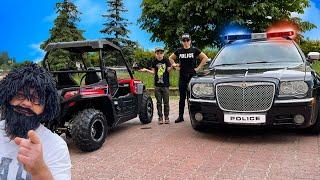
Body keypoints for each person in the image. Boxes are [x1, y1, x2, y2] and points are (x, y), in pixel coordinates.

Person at [0, 64, 71, 180]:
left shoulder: (56, 146)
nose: (27, 103)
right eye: (20, 95)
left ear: (46, 107)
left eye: (36, 99)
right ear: (8, 97)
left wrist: (39, 170)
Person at [169, 33, 208, 123]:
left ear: (190, 40)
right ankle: (180, 116)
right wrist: (175, 65)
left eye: (187, 40)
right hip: (182, 77)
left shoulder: (194, 50)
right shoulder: (179, 50)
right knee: (182, 98)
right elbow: (170, 58)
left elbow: (205, 58)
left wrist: (198, 68)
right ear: (182, 42)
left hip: (192, 77)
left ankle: (195, 116)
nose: (186, 42)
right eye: (184, 40)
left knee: (193, 97)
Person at [140, 47, 172, 124]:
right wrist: (146, 70)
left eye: (161, 53)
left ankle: (167, 117)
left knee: (166, 102)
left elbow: (168, 70)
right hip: (157, 85)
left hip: (165, 85)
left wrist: (172, 66)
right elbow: (153, 72)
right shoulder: (154, 62)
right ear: (155, 54)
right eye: (157, 53)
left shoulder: (166, 60)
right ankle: (160, 118)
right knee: (158, 102)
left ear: (163, 54)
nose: (159, 55)